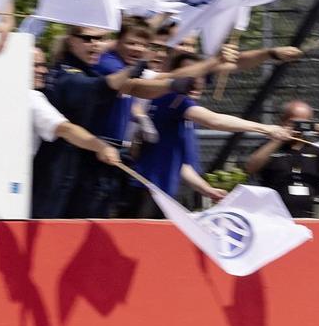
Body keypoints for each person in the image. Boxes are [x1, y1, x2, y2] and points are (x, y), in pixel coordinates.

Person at [34, 25, 222, 218]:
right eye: (88, 39)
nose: (95, 44)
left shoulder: (91, 68)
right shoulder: (75, 72)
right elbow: (101, 89)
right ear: (71, 40)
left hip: (90, 164)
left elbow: (147, 83)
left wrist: (183, 78)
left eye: (99, 39)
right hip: (64, 165)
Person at [125, 50, 291, 217]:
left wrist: (207, 189)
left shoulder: (177, 108)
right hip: (146, 190)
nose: (197, 81)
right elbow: (214, 120)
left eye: (201, 75)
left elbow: (179, 163)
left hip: (161, 191)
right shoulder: (175, 100)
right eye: (191, 74)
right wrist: (267, 128)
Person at [243, 100, 319, 217]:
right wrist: (279, 139)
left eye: (304, 123)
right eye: (295, 123)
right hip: (274, 214)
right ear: (283, 121)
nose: (299, 129)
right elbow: (250, 168)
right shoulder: (270, 147)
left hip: (309, 214)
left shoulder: (315, 149)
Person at [28, 45, 121, 169]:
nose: (43, 71)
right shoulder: (31, 97)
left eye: (44, 65)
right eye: (35, 65)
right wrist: (102, 147)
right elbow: (65, 129)